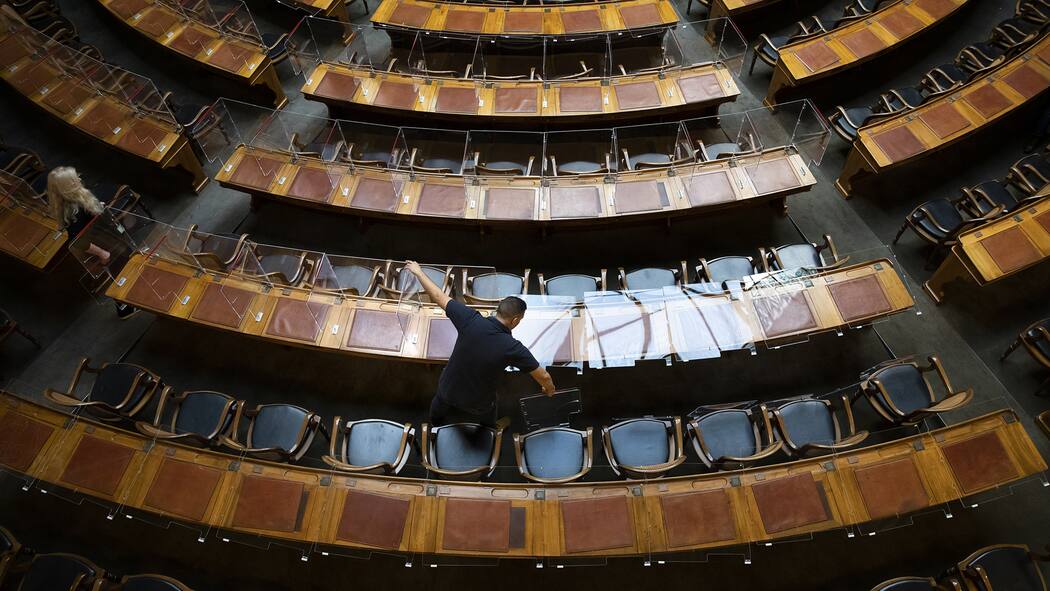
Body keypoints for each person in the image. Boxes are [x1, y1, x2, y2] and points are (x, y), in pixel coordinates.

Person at [403, 260, 555, 428]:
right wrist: (549, 389)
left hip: (447, 390)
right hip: (477, 403)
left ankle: (436, 424)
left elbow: (439, 296)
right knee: (492, 403)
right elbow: (544, 376)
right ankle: (490, 428)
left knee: (439, 401)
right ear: (515, 320)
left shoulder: (469, 318)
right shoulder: (512, 347)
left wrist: (418, 272)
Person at [47, 167, 136, 319]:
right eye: (75, 180)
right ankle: (124, 307)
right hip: (103, 244)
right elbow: (77, 241)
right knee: (119, 273)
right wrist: (102, 253)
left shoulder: (73, 198)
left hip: (104, 235)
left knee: (125, 267)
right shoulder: (73, 209)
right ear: (68, 188)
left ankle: (131, 296)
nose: (80, 180)